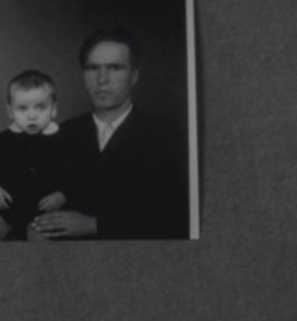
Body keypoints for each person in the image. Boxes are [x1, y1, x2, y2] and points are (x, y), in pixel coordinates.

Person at [37, 26, 192, 240]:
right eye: (93, 68)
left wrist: (95, 225)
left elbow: (177, 217)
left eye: (115, 68)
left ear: (134, 76)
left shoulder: (167, 136)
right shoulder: (60, 134)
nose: (102, 79)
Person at [0, 69, 71, 246]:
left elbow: (76, 174)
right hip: (6, 207)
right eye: (22, 108)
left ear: (54, 109)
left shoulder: (64, 141)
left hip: (44, 209)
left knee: (42, 241)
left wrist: (63, 195)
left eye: (40, 107)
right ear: (10, 111)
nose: (31, 116)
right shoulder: (0, 141)